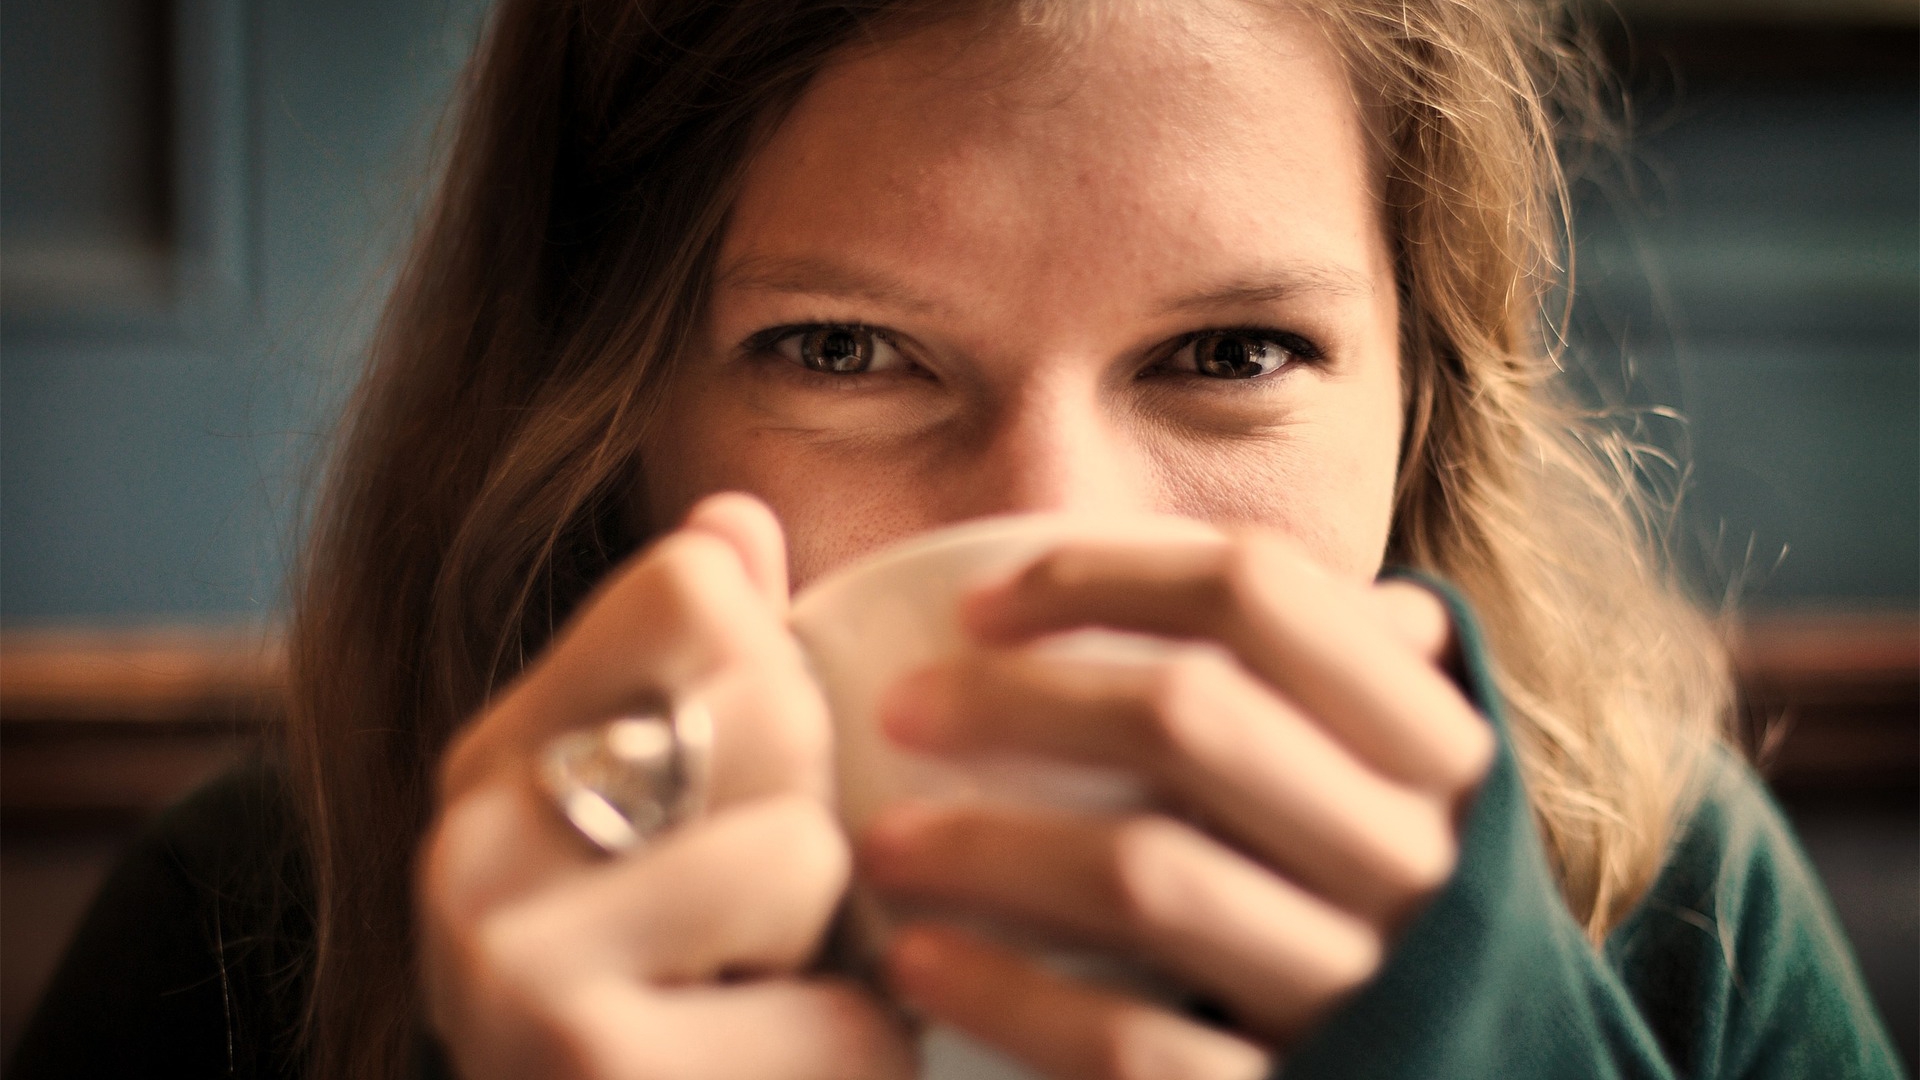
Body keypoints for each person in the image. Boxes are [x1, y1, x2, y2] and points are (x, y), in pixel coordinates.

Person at [10, 1, 1902, 1078]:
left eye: (1231, 354)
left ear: (1426, 408)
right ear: (607, 417)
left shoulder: (1668, 920)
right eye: (844, 352)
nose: (1046, 534)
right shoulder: (252, 940)